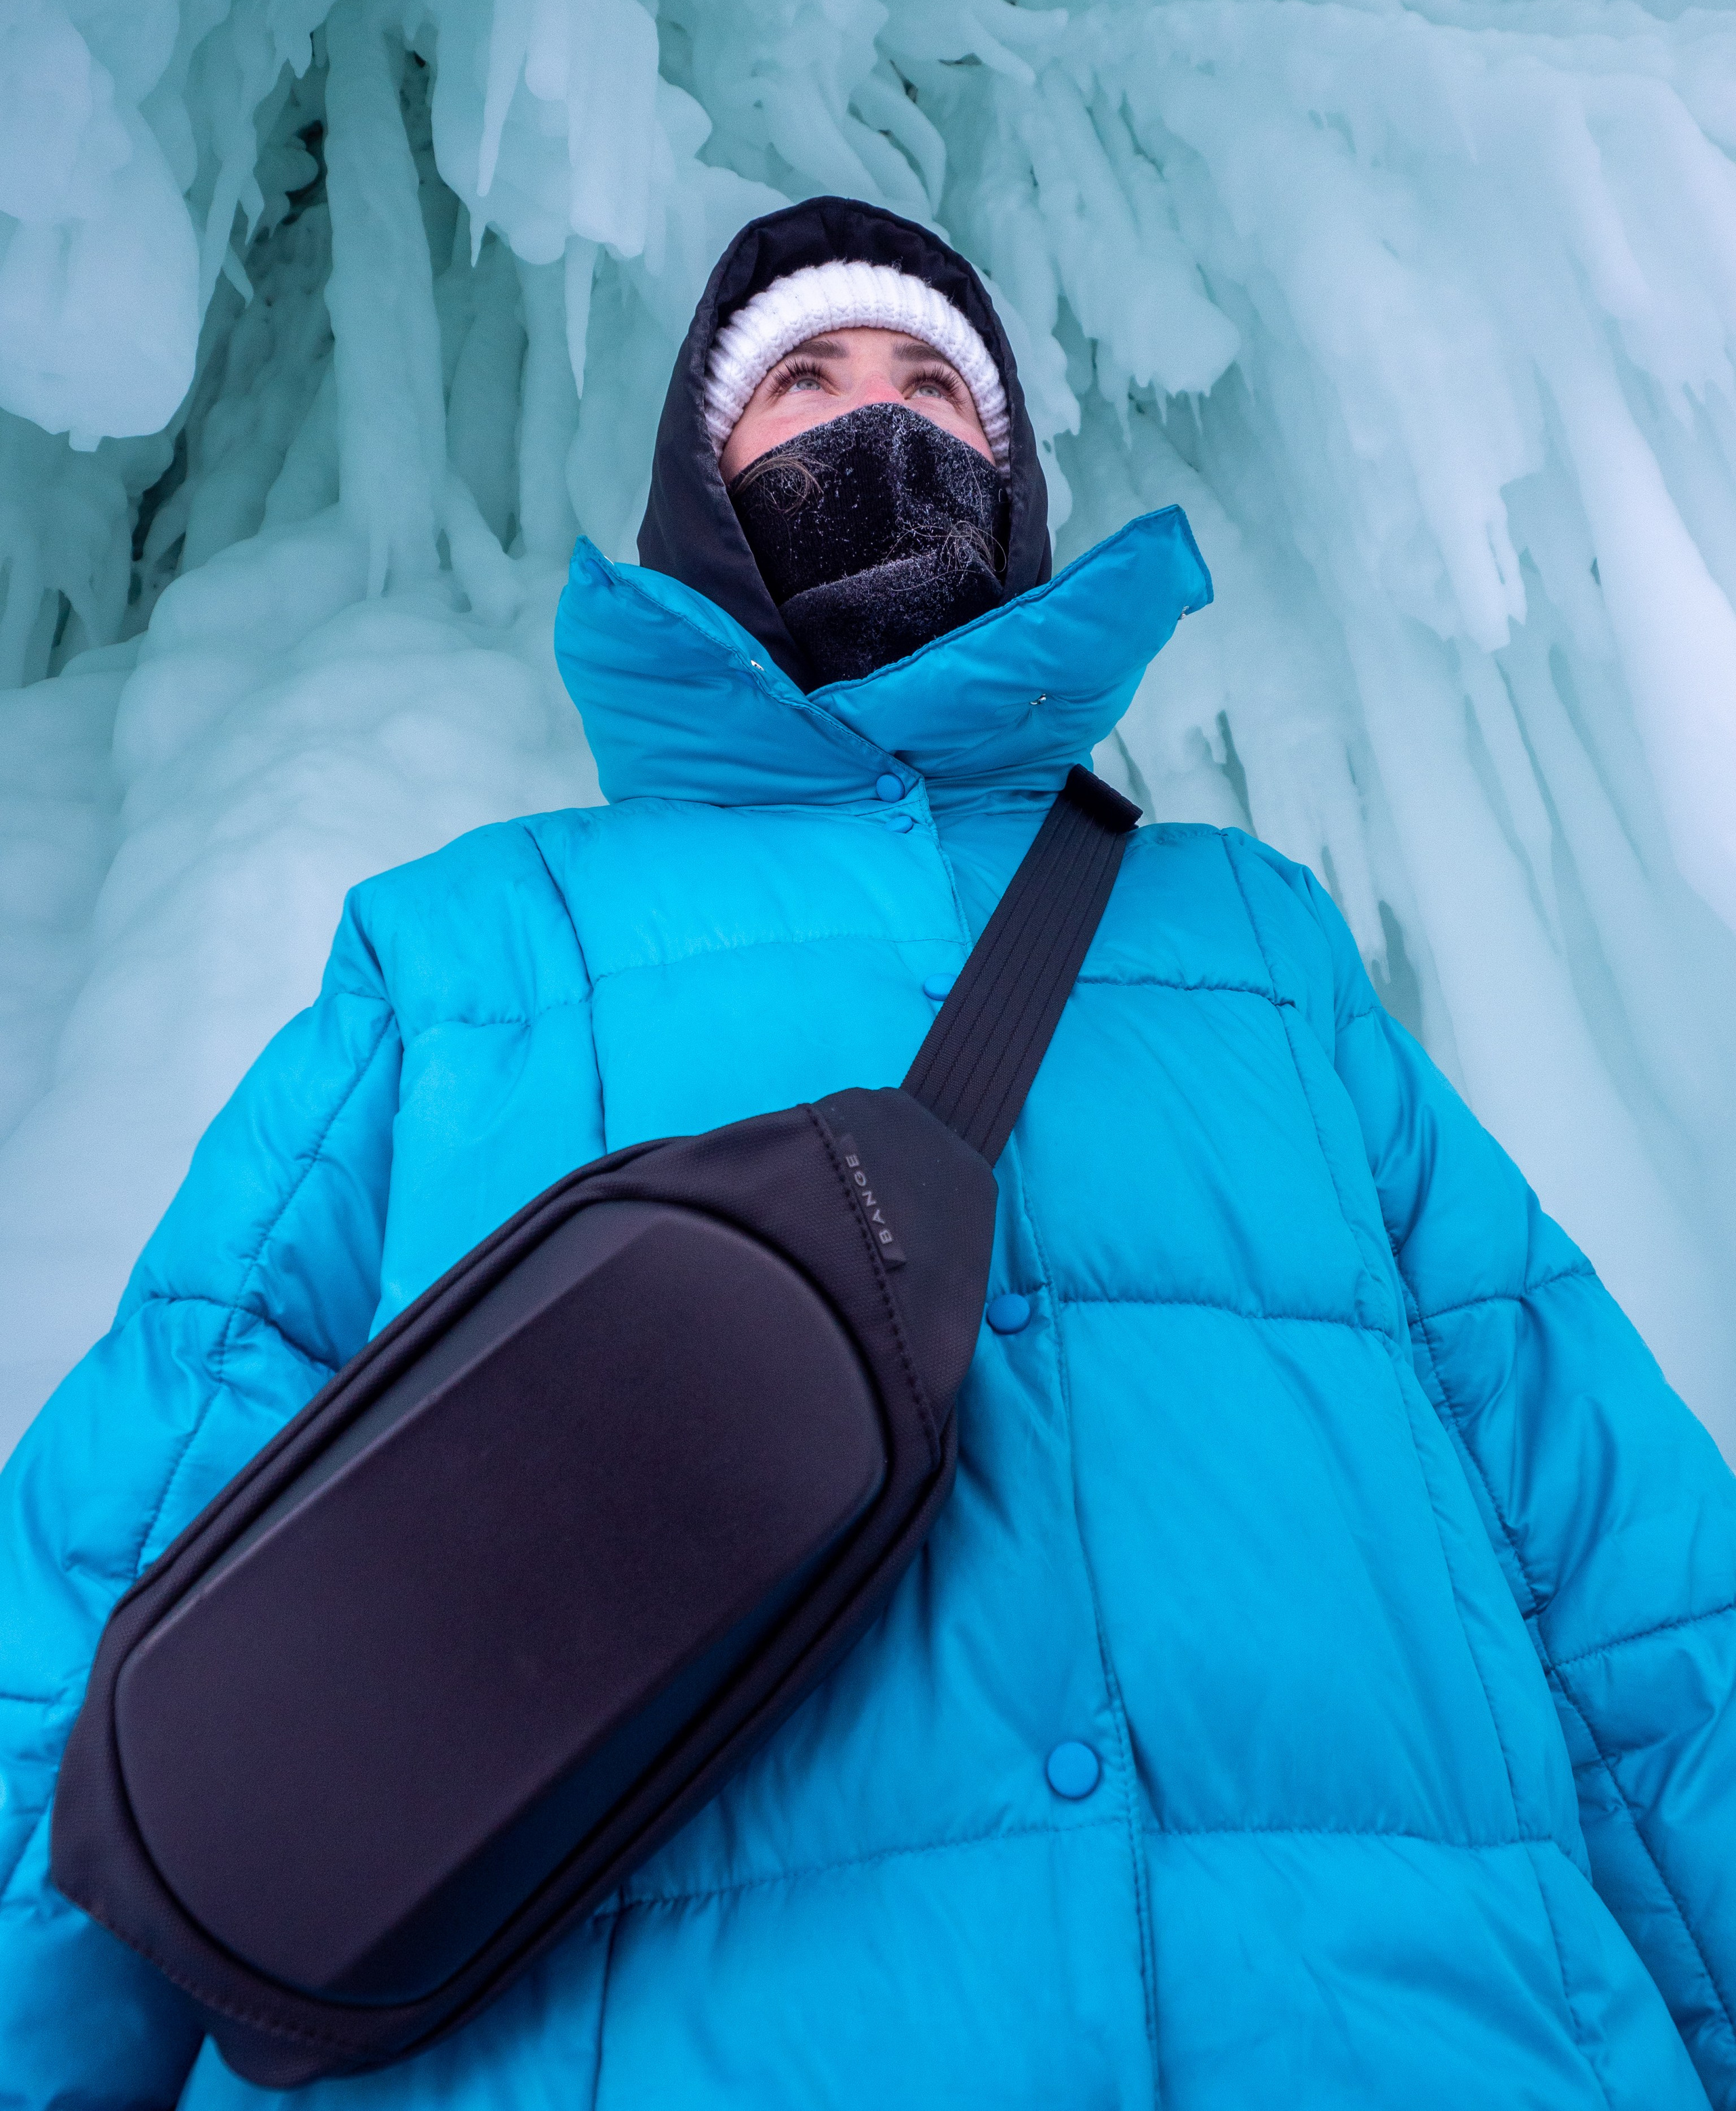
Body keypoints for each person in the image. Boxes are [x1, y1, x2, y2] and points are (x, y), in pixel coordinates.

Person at [1, 195, 1733, 2111]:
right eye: (804, 384)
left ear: (1010, 481)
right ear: (701, 480)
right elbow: (115, 1612)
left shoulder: (1254, 945)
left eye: (934, 389)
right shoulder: (477, 955)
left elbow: (1622, 1578)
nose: (874, 429)